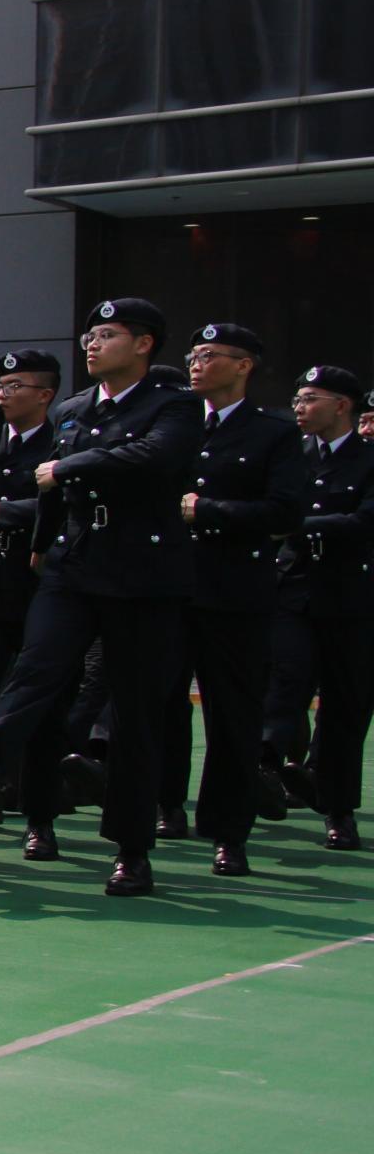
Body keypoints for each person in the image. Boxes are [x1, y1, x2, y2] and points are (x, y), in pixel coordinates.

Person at [0, 298, 201, 898]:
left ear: (143, 344)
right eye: (90, 335)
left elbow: (155, 456)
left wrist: (70, 467)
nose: (92, 344)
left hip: (142, 571)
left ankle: (132, 848)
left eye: (107, 335)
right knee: (36, 673)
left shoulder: (174, 403)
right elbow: (55, 494)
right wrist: (40, 546)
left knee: (136, 711)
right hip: (72, 561)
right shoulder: (74, 409)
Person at [164, 324, 304, 875]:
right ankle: (163, 805)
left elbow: (285, 512)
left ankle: (228, 831)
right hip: (167, 584)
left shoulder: (273, 432)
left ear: (244, 365)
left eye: (210, 355)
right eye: (193, 354)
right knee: (156, 702)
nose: (196, 363)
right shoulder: (172, 422)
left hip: (235, 590)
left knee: (233, 715)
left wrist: (210, 511)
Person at [266, 364, 374, 855]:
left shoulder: (368, 459)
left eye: (310, 398)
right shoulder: (291, 455)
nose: (299, 407)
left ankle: (338, 809)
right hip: (292, 589)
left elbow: (365, 521)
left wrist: (299, 525)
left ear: (342, 406)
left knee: (345, 705)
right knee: (284, 680)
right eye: (298, 398)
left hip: (352, 597)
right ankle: (266, 769)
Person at [0, 350, 71, 861]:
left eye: (15, 386)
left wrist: (7, 511)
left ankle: (40, 818)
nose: (3, 395)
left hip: (42, 584)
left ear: (45, 394)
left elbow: (70, 499)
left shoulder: (63, 441)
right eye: (0, 386)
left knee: (41, 706)